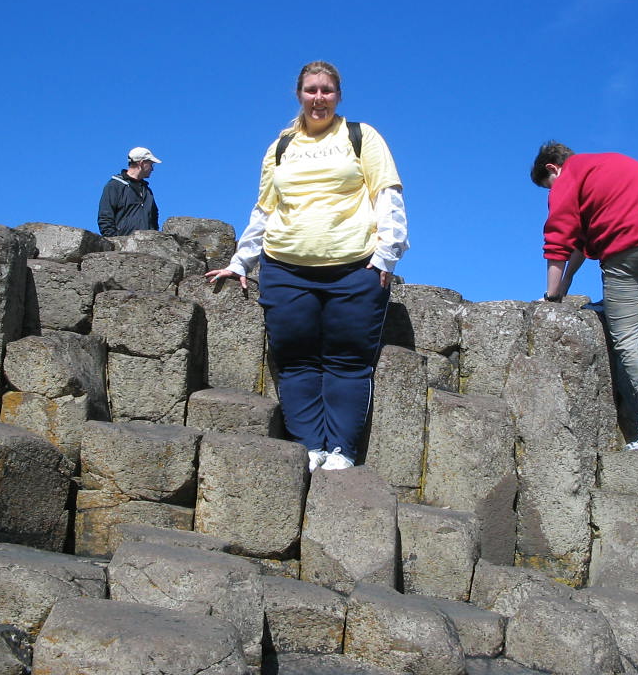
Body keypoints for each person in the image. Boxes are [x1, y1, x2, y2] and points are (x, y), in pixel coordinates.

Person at [206, 61, 408, 472]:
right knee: (296, 360)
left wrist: (387, 254)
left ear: (338, 95)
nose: (319, 98)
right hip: (285, 269)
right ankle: (309, 445)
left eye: (327, 90)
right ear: (299, 94)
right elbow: (265, 209)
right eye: (311, 90)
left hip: (354, 268)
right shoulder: (280, 146)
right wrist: (240, 261)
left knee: (348, 362)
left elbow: (387, 195)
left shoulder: (361, 136)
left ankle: (342, 450)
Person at [530, 141, 638, 451]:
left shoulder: (568, 177)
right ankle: (615, 307)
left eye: (548, 185)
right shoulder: (608, 163)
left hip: (631, 248)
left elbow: (559, 241)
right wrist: (566, 283)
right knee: (629, 313)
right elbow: (581, 242)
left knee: (626, 333)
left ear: (552, 168)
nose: (551, 192)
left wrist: (551, 297)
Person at [97, 146, 161, 237]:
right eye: (151, 164)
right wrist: (115, 241)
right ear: (141, 163)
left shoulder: (147, 191)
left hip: (147, 244)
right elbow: (105, 218)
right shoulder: (114, 186)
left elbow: (154, 218)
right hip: (123, 243)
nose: (152, 169)